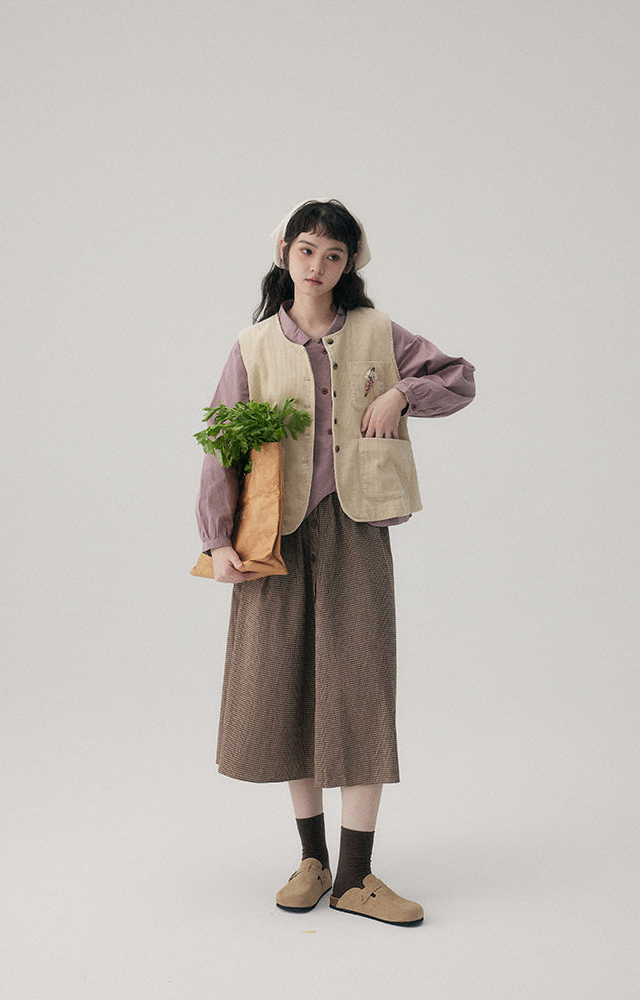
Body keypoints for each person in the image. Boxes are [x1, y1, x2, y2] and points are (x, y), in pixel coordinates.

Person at [195, 199, 475, 926]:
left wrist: (402, 392)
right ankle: (312, 860)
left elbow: (458, 378)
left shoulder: (379, 333)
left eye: (334, 255)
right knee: (284, 685)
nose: (318, 266)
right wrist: (218, 540)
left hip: (357, 529)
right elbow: (223, 445)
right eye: (307, 250)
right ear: (284, 252)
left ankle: (356, 876)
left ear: (350, 264)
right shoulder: (252, 345)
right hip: (273, 534)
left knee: (360, 687)